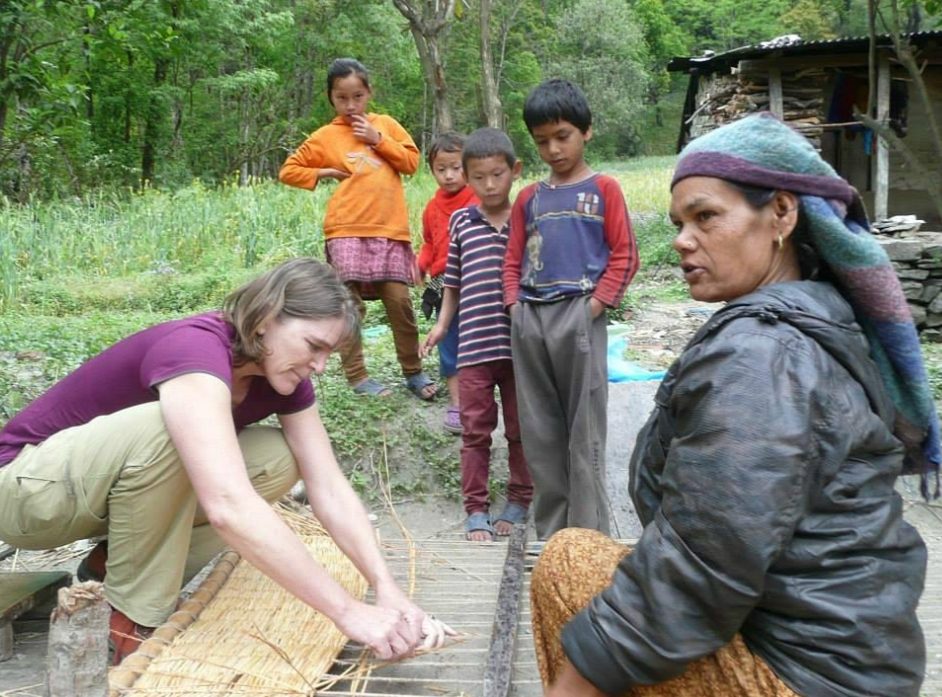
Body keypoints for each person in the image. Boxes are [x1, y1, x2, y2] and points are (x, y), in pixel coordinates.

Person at [530, 112, 936, 697]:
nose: (682, 239)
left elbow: (701, 567)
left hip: (812, 675)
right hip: (851, 655)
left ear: (781, 214)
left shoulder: (763, 354)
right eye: (679, 223)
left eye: (706, 217)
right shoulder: (807, 317)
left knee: (568, 565)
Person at [0, 258, 453, 664]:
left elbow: (329, 486)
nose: (319, 366)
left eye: (327, 355)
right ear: (266, 320)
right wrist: (347, 612)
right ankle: (131, 616)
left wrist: (385, 587)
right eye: (313, 346)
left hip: (92, 494)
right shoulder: (195, 351)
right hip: (26, 493)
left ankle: (109, 565)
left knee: (280, 457)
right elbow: (228, 504)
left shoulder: (283, 380)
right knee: (172, 429)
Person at [503, 79, 639, 539]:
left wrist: (595, 306)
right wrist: (514, 307)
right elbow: (512, 258)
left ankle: (588, 536)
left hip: (580, 315)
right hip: (531, 319)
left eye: (563, 136)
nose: (554, 149)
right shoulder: (529, 198)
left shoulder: (604, 189)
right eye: (542, 141)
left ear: (587, 131)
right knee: (540, 428)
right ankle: (551, 537)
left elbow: (625, 255)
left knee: (585, 430)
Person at [279, 57, 437, 401]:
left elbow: (411, 163)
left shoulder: (386, 125)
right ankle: (357, 376)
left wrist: (377, 139)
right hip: (345, 228)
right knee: (348, 305)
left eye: (357, 97)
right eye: (342, 98)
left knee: (400, 303)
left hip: (390, 229)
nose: (350, 105)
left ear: (369, 93)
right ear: (331, 98)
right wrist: (323, 172)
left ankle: (413, 372)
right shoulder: (325, 136)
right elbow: (288, 170)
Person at [422, 128, 534, 542]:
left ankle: (520, 498)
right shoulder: (461, 221)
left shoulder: (528, 219)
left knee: (521, 429)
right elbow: (452, 282)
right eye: (479, 177)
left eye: (497, 175)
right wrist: (441, 325)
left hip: (520, 348)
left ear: (515, 171)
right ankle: (475, 507)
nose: (489, 185)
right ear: (468, 179)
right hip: (473, 347)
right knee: (475, 432)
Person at [415, 132, 478, 435]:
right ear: (432, 170)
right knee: (449, 343)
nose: (449, 175)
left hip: (477, 281)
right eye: (441, 169)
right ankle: (457, 403)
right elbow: (429, 242)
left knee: (481, 342)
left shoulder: (478, 199)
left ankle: (483, 397)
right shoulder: (431, 208)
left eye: (456, 167)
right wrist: (421, 263)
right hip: (443, 284)